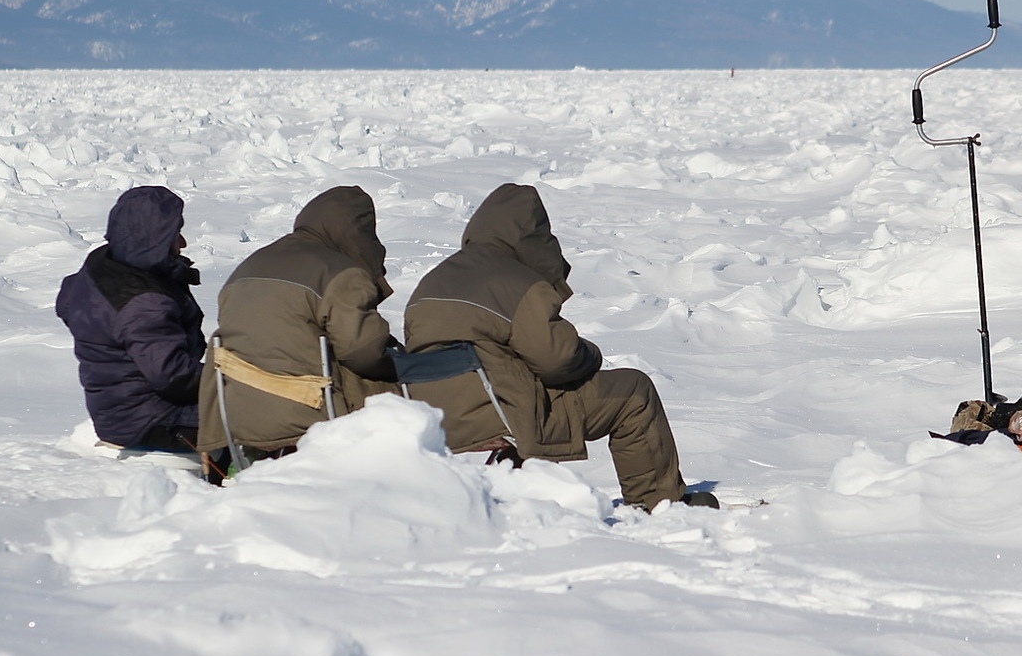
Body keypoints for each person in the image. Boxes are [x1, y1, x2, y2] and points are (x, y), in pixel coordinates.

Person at [402, 183, 715, 511]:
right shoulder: (516, 281)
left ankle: (511, 495)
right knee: (634, 392)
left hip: (439, 423)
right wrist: (590, 354)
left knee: (514, 378)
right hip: (505, 415)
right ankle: (660, 504)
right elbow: (557, 359)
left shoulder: (430, 282)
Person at [197, 186, 399, 460]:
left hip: (238, 414)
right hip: (309, 412)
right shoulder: (341, 273)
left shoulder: (249, 266)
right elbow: (363, 353)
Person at [55, 186, 210, 469]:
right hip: (152, 419)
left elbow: (68, 303)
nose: (183, 243)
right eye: (175, 233)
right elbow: (175, 378)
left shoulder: (103, 266)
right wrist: (231, 381)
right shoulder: (144, 302)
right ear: (155, 238)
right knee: (260, 418)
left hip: (118, 409)